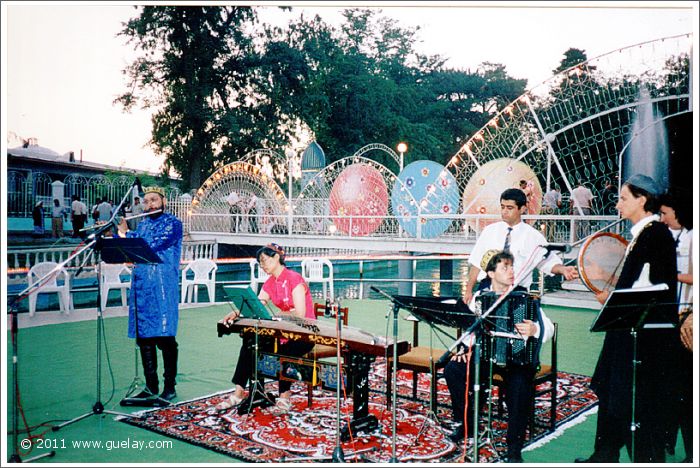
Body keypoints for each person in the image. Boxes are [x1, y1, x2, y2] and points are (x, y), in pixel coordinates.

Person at [575, 174, 679, 463]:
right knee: (616, 397)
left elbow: (652, 292)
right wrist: (608, 285)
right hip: (632, 334)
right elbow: (639, 285)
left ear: (641, 200)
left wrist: (610, 298)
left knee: (632, 403)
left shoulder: (654, 234)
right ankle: (605, 455)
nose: (618, 204)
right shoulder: (646, 235)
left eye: (623, 198)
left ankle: (635, 458)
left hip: (641, 340)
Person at [445, 250, 555, 462]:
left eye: (512, 267)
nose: (512, 271)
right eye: (505, 267)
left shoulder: (524, 296)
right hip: (486, 356)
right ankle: (467, 423)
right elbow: (470, 328)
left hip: (518, 359)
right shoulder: (480, 299)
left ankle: (514, 447)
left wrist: (535, 330)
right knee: (453, 370)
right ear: (491, 274)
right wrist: (463, 349)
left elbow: (548, 327)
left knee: (520, 387)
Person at [216, 243, 315, 412]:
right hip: (281, 330)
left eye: (264, 261)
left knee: (286, 350)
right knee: (250, 341)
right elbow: (257, 305)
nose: (262, 266)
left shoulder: (294, 279)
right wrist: (236, 313)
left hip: (305, 333)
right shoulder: (270, 283)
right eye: (260, 263)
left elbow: (300, 315)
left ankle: (284, 396)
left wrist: (279, 314)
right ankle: (239, 392)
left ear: (277, 257)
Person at [117, 186, 183, 402]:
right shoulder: (143, 225)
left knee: (165, 338)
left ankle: (169, 387)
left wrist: (128, 234)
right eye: (146, 202)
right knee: (144, 338)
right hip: (142, 287)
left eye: (154, 200)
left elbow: (152, 245)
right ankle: (151, 387)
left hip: (162, 288)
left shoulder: (173, 224)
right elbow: (132, 245)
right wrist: (123, 233)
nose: (150, 205)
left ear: (163, 202)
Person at [463, 188, 578, 305]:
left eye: (509, 208)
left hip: (517, 291)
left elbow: (548, 262)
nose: (504, 211)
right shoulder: (489, 231)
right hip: (487, 288)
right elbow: (477, 263)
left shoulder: (533, 236)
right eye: (502, 207)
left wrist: (563, 269)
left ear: (522, 209)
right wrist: (468, 290)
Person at [659, 191, 693, 462]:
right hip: (667, 319)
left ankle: (691, 451)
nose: (662, 218)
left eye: (665, 213)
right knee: (666, 386)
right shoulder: (665, 236)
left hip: (687, 318)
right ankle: (666, 440)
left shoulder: (693, 237)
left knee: (685, 388)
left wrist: (670, 274)